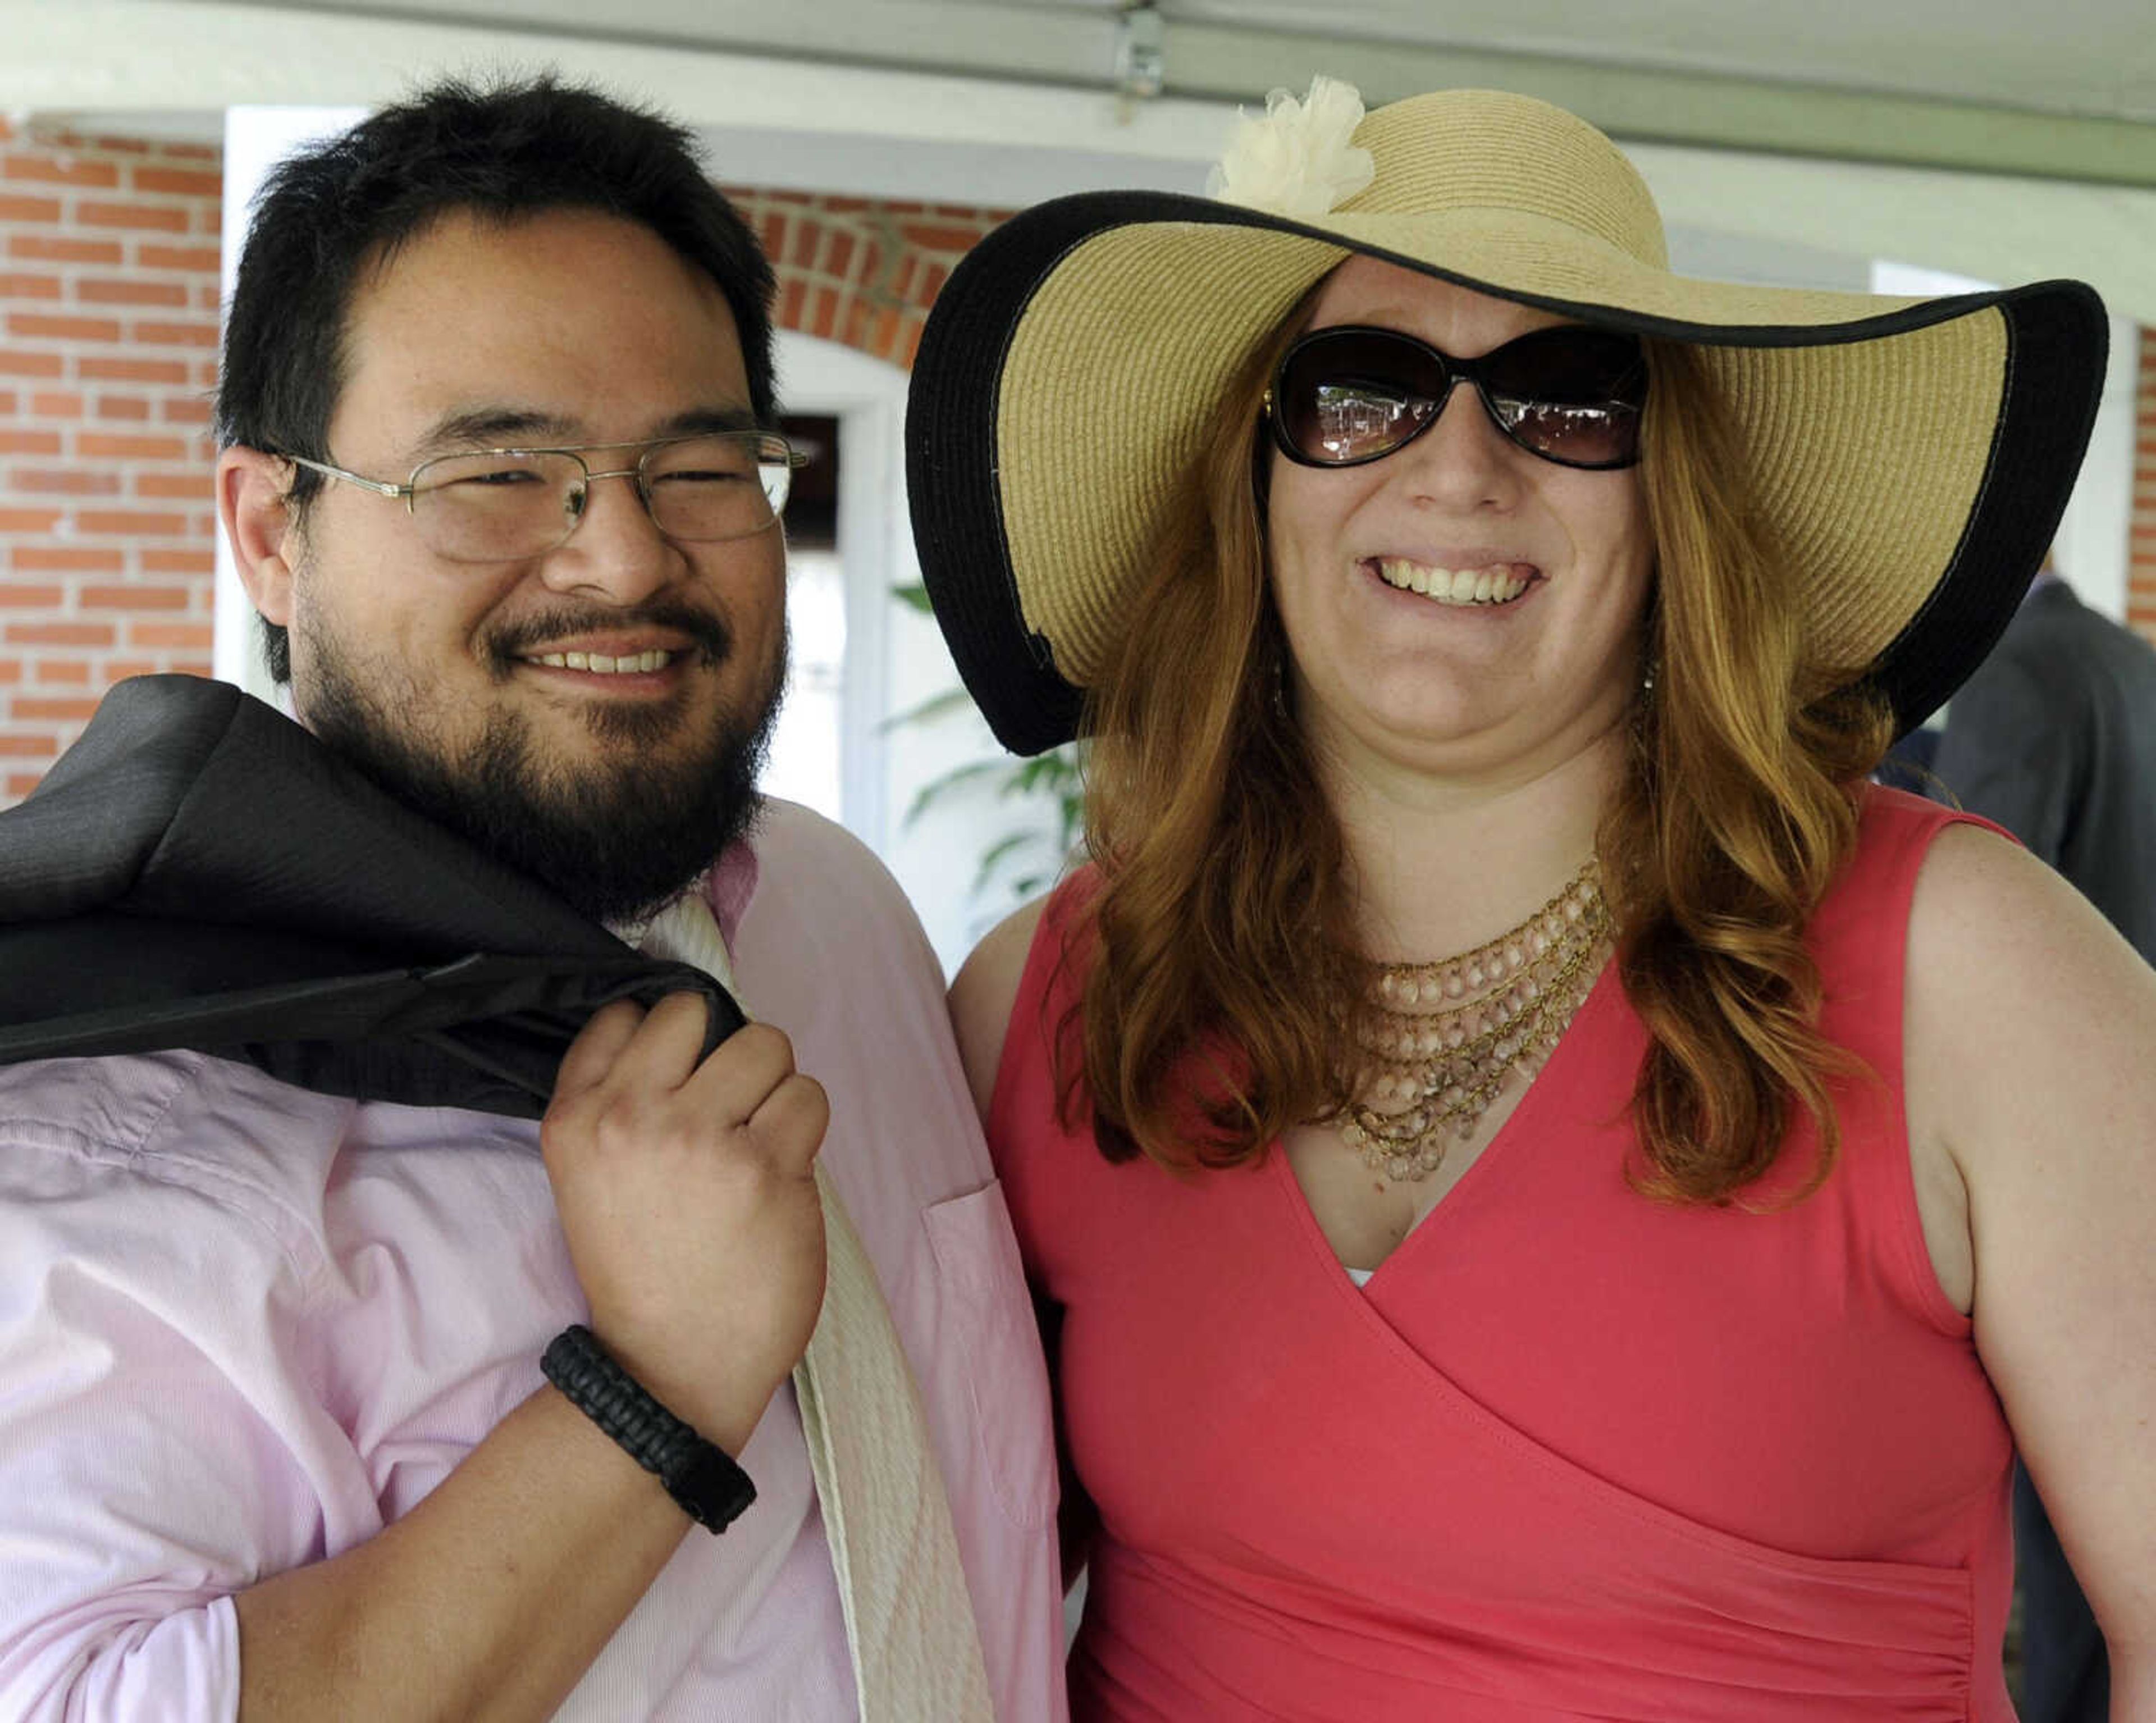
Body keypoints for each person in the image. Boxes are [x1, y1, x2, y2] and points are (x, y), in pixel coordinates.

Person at [904, 79, 2155, 1720]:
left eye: (1569, 402)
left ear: (1671, 506)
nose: (1461, 470)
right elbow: (928, 1609)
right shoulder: (1048, 1001)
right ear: (1253, 478)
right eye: (1364, 392)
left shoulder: (1972, 972)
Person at [0, 78, 1062, 1721]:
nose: (624, 560)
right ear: (271, 534)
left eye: (699, 465)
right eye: (495, 472)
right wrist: (650, 1391)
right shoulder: (104, 1111)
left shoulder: (841, 919)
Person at [1933, 557, 2156, 1723]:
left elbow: (1966, 873)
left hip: (2029, 1134)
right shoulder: (2131, 659)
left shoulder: (2015, 675)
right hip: (2137, 1099)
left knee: (2063, 1532)